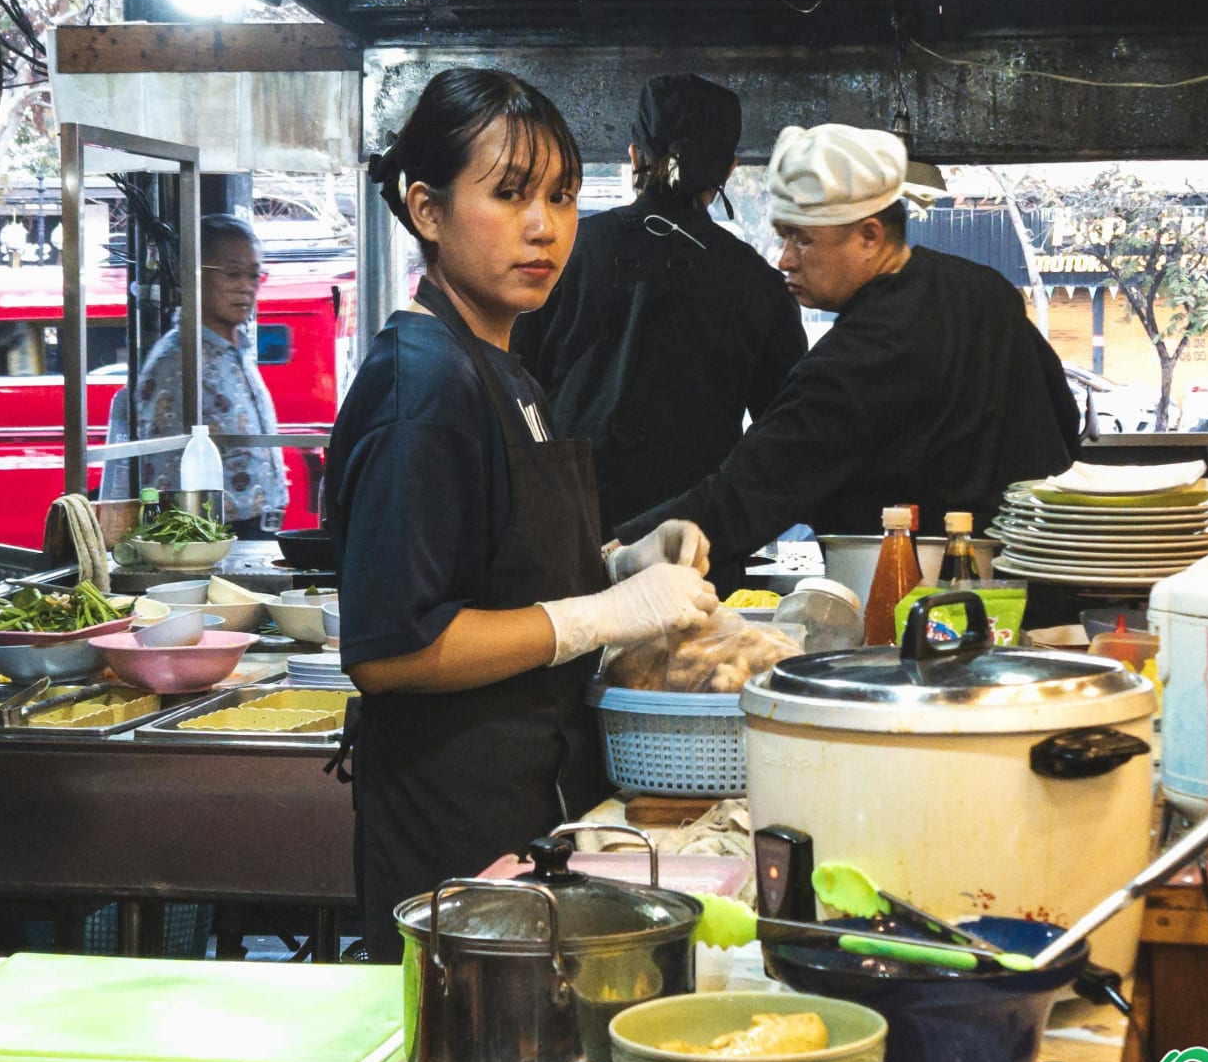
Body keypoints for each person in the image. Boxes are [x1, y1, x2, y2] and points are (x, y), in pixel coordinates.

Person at [324, 67, 718, 962]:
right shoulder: (420, 385)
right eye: (508, 195)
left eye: (563, 197)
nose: (544, 227)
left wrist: (620, 562)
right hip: (455, 842)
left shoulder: (499, 361)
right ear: (425, 209)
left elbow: (501, 560)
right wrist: (599, 616)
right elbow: (392, 650)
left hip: (527, 813)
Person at [614, 122, 1080, 570]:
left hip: (911, 597)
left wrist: (614, 552)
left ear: (869, 236)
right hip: (1037, 575)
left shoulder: (860, 355)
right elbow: (1064, 418)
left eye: (802, 240)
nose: (785, 260)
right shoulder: (986, 289)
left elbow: (746, 494)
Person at [511, 74, 806, 590]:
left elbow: (512, 392)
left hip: (566, 555)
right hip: (696, 559)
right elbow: (782, 442)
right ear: (729, 171)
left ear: (633, 156)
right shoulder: (758, 283)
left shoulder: (559, 256)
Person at [103, 213, 289, 539]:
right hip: (215, 538)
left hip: (258, 531)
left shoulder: (236, 349)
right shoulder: (178, 361)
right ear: (194, 276)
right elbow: (164, 481)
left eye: (254, 275)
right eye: (232, 274)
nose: (246, 288)